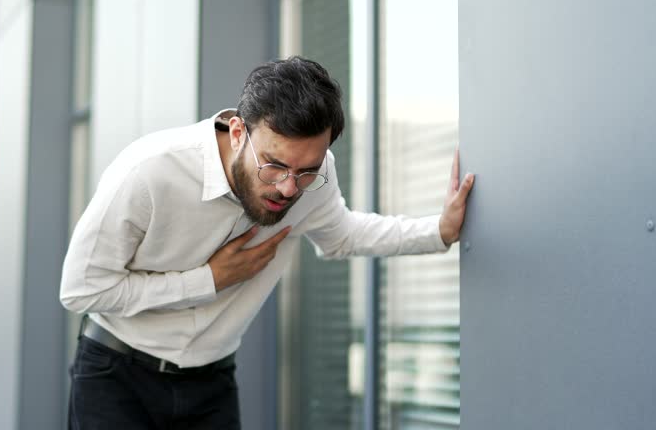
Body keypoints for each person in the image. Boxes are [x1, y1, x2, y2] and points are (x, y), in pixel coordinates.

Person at [60, 56, 475, 429]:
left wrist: (439, 230)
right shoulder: (149, 172)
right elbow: (82, 289)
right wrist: (208, 280)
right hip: (116, 377)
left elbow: (343, 234)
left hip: (212, 384)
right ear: (238, 131)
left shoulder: (313, 173)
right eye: (274, 166)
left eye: (307, 171)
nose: (290, 188)